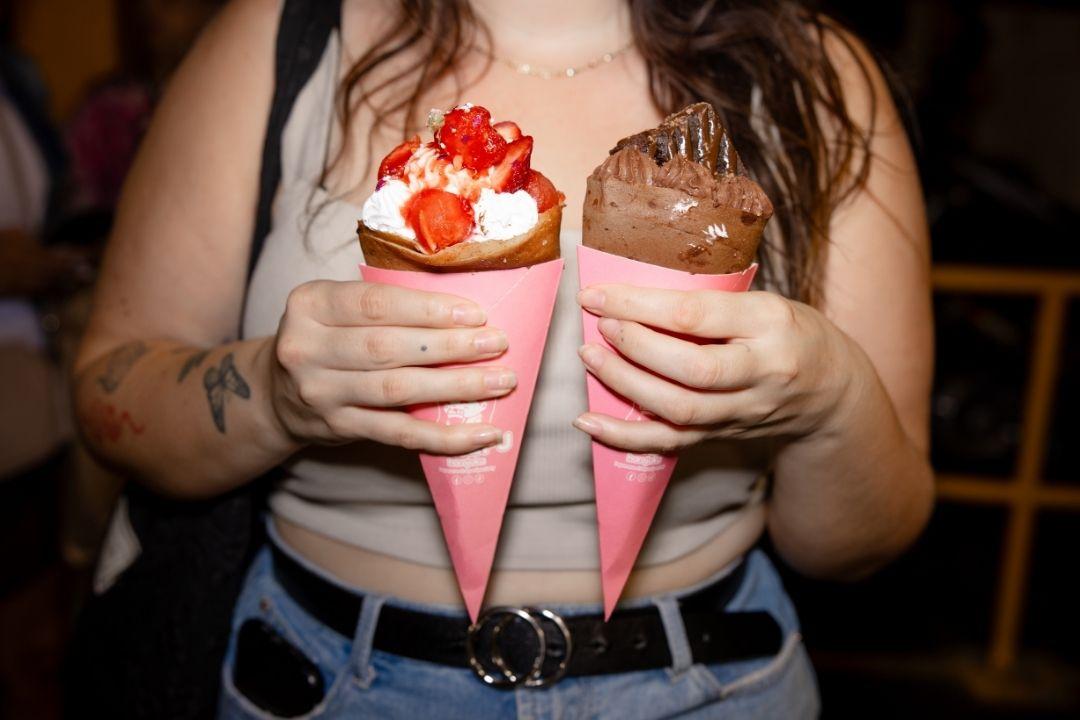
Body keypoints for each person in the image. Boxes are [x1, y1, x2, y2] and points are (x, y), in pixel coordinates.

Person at [72, 0, 933, 717]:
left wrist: (832, 394)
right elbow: (111, 388)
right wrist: (270, 394)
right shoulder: (283, 35)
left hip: (713, 684)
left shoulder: (821, 79)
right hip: (328, 682)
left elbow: (859, 547)